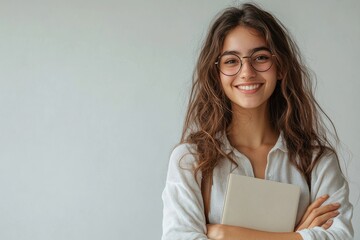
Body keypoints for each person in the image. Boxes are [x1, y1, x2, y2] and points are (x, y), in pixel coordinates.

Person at [161, 3, 353, 240]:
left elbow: (340, 235)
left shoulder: (317, 160)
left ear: (280, 66)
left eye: (260, 57)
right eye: (231, 61)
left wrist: (223, 233)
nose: (247, 72)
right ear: (217, 73)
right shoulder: (190, 160)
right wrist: (297, 235)